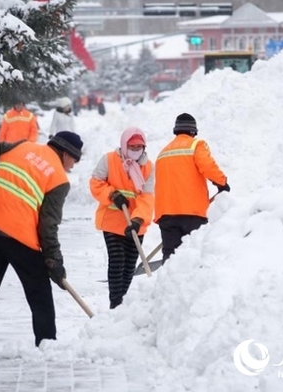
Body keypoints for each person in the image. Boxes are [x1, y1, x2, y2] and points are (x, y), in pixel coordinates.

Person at [0, 131, 84, 356]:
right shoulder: (59, 179)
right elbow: (48, 227)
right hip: (17, 233)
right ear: (64, 152)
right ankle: (46, 343)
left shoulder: (23, 146)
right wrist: (53, 261)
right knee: (39, 290)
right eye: (74, 159)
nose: (74, 165)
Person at [89, 127, 154, 309]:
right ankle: (115, 304)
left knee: (129, 267)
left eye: (139, 147)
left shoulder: (148, 167)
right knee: (117, 261)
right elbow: (96, 182)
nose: (136, 150)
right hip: (112, 221)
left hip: (134, 224)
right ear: (124, 145)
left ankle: (122, 302)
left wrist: (138, 220)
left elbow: (147, 197)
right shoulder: (109, 160)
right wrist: (112, 195)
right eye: (132, 147)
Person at [154, 113, 230, 263]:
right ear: (193, 131)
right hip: (192, 213)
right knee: (193, 257)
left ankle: (167, 286)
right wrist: (222, 183)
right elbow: (207, 166)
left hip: (166, 215)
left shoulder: (163, 153)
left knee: (170, 258)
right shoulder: (196, 145)